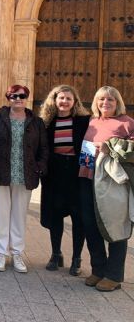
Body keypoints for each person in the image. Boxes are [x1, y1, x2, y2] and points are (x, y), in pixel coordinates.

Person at [0, 84, 48, 273]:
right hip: (1, 171)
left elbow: (43, 148)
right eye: (13, 96)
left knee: (19, 215)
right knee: (2, 214)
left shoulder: (36, 122)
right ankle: (1, 253)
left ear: (27, 98)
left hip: (25, 173)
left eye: (22, 96)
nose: (18, 99)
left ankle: (17, 253)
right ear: (8, 98)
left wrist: (40, 166)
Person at [79, 86, 134, 292]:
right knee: (91, 226)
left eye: (110, 99)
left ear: (117, 101)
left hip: (112, 182)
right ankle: (98, 270)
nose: (105, 103)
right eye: (101, 99)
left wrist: (110, 146)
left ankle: (114, 276)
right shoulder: (92, 121)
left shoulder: (127, 123)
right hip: (87, 177)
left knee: (115, 226)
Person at [38, 85, 89, 276]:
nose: (64, 102)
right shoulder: (46, 122)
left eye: (69, 98)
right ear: (54, 100)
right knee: (55, 214)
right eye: (61, 98)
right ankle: (55, 253)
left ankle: (77, 259)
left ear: (75, 102)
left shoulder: (84, 121)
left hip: (76, 173)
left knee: (78, 217)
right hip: (54, 173)